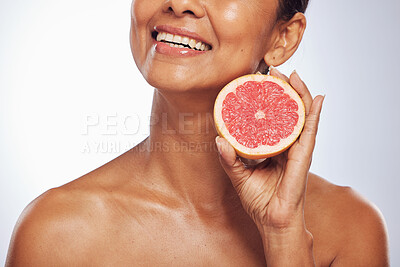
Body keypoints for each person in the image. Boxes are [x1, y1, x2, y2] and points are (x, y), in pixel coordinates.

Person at [6, 0, 389, 266]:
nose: (179, 3)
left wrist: (284, 237)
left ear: (283, 37)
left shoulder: (351, 230)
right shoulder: (55, 234)